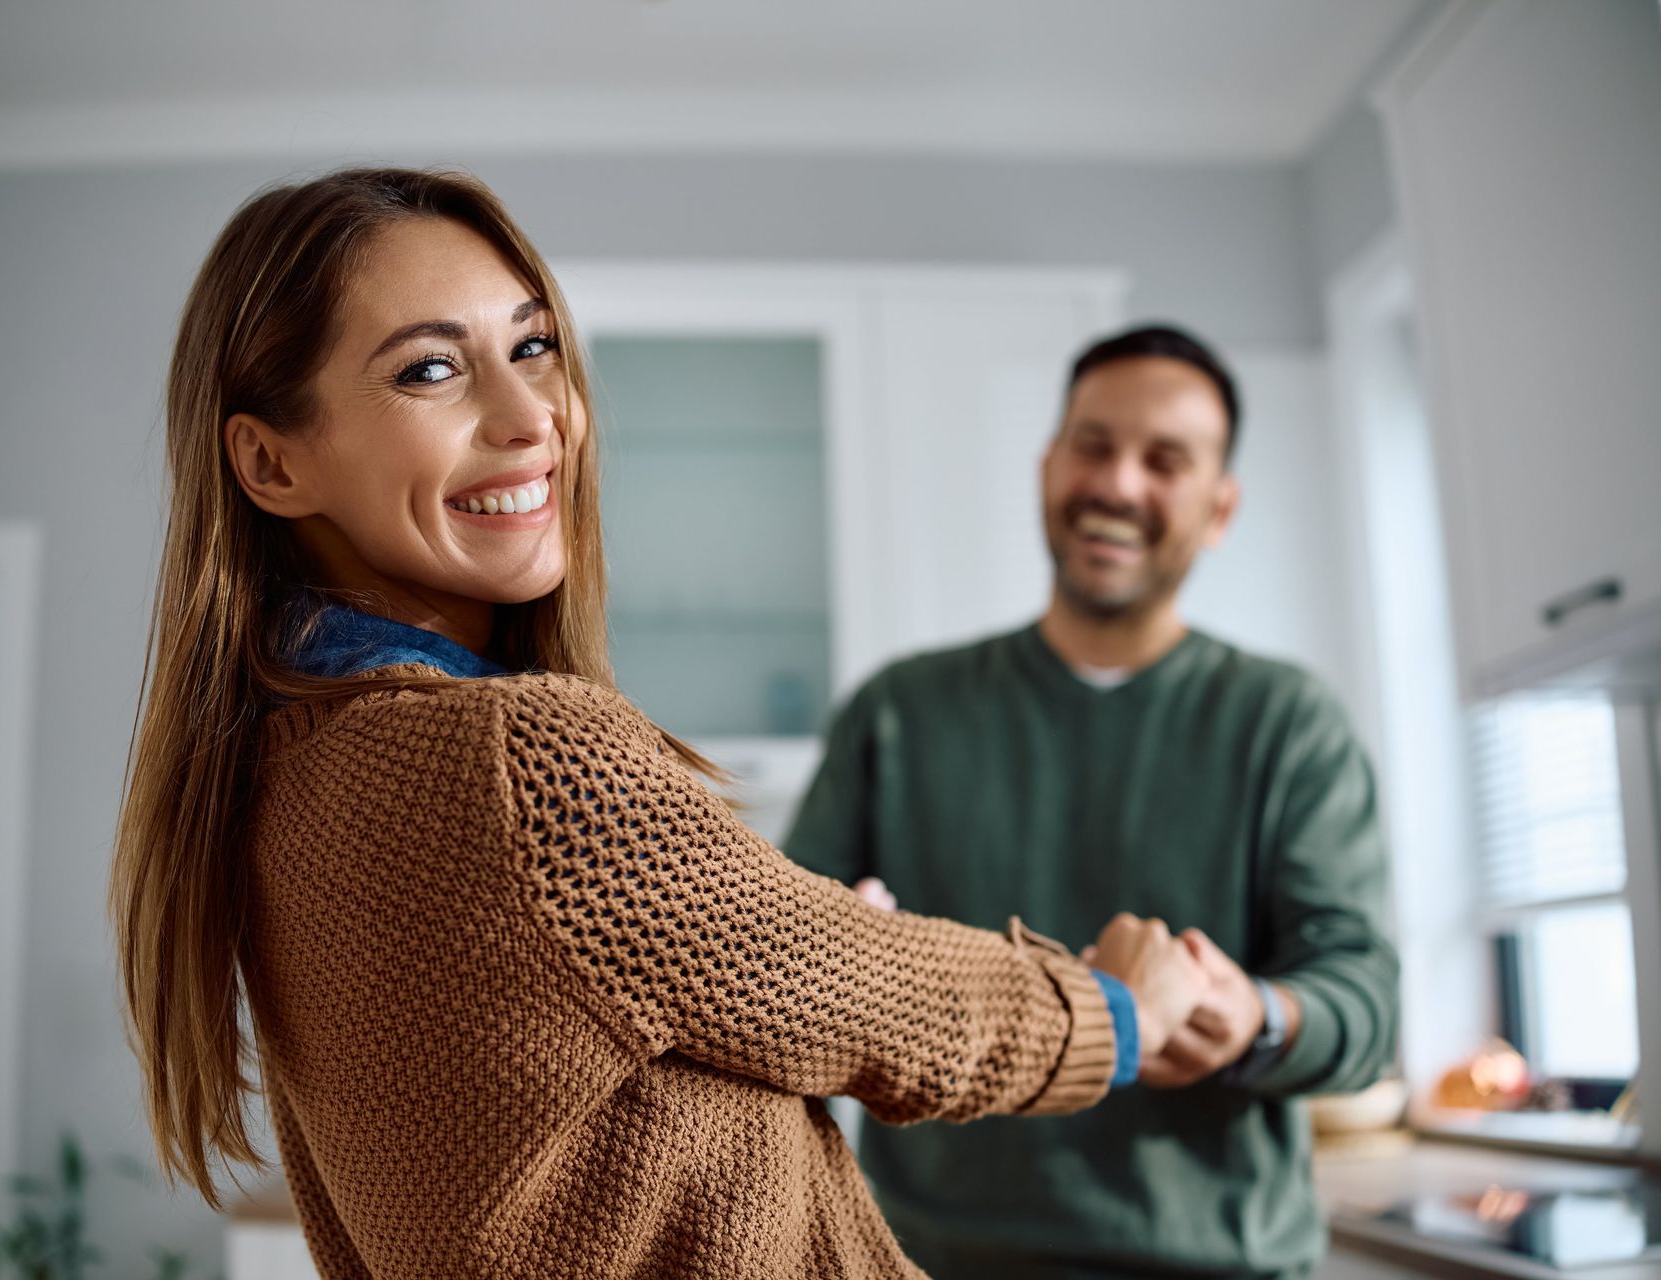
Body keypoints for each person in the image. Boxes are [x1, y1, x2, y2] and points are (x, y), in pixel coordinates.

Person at [107, 169, 1213, 1280]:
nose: (532, 414)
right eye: (430, 368)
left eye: (534, 345)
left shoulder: (283, 764)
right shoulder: (512, 762)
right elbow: (885, 1004)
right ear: (272, 461)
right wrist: (1118, 1006)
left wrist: (757, 948)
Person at [785, 325, 1400, 1280]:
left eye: (1165, 461)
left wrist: (1257, 1018)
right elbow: (783, 968)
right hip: (931, 1261)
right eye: (1094, 445)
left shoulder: (1286, 723)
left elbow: (1365, 997)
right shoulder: (898, 713)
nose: (1117, 483)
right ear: (1047, 467)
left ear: (1219, 507)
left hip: (1218, 1263)